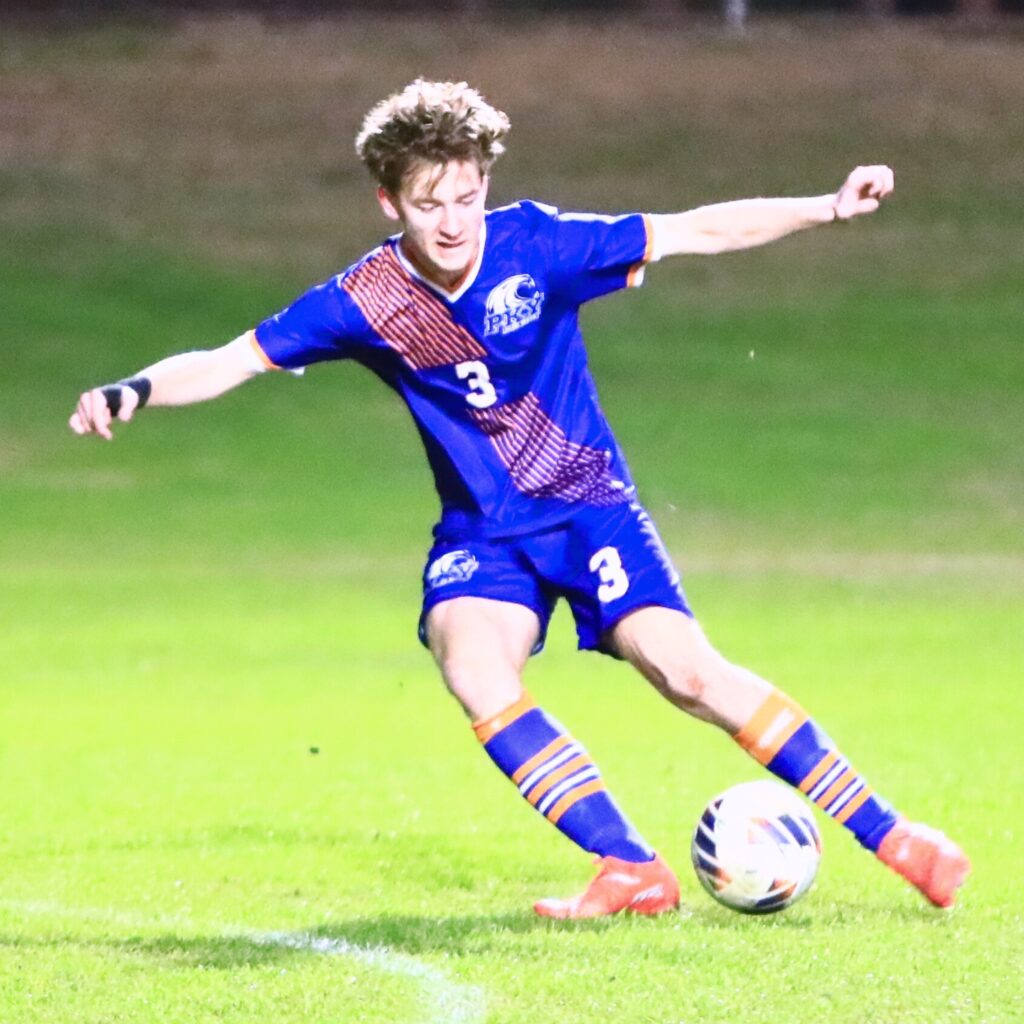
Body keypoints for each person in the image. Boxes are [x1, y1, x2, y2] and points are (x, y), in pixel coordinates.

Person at [70, 79, 970, 919]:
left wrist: (825, 206)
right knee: (472, 666)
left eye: (467, 197)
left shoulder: (538, 245)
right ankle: (631, 867)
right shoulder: (365, 298)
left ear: (485, 185)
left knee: (688, 675)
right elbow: (227, 361)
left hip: (589, 510)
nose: (452, 221)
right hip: (484, 535)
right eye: (429, 203)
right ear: (389, 203)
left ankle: (897, 839)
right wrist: (134, 389)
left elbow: (695, 229)